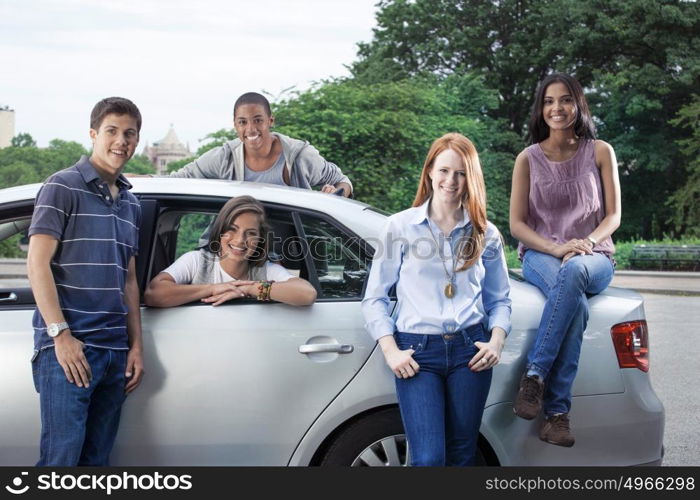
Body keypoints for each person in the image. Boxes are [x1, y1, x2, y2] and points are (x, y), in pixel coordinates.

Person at [362, 133, 511, 466]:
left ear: (471, 178)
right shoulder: (399, 226)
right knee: (428, 458)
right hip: (418, 354)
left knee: (462, 453)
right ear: (429, 171)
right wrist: (391, 351)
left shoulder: (486, 233)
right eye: (444, 170)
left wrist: (496, 341)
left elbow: (500, 300)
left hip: (470, 352)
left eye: (460, 173)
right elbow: (374, 298)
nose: (451, 181)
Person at [27, 97, 145, 466]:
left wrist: (135, 346)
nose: (121, 141)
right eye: (112, 131)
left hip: (113, 354)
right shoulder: (62, 186)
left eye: (130, 134)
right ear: (93, 134)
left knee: (96, 464)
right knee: (60, 463)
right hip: (70, 350)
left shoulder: (131, 204)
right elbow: (36, 264)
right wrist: (61, 337)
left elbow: (129, 281)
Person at [510, 73, 621, 447]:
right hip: (542, 254)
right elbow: (516, 224)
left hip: (594, 256)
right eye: (549, 101)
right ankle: (557, 415)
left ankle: (535, 376)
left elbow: (614, 216)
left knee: (574, 271)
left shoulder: (601, 151)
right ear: (541, 109)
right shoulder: (527, 158)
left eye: (565, 100)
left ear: (578, 105)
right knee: (576, 308)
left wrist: (586, 242)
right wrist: (556, 248)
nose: (557, 108)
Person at [167, 92, 353, 197]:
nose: (251, 129)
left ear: (270, 121)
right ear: (235, 125)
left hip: (293, 253)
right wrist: (139, 179)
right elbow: (178, 179)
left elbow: (344, 182)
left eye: (258, 120)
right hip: (240, 252)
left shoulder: (300, 156)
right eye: (243, 122)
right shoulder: (225, 158)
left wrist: (335, 193)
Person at [144, 195, 317, 307]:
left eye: (251, 233)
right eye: (231, 229)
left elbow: (306, 293)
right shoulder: (196, 261)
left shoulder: (264, 270)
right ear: (220, 231)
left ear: (260, 240)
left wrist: (248, 289)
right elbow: (154, 294)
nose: (240, 240)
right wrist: (214, 288)